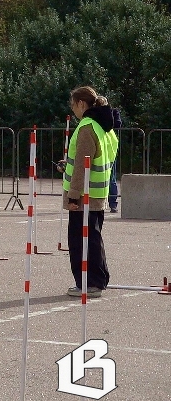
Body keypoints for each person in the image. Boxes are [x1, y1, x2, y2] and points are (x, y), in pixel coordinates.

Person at [62, 86, 118, 298]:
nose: (73, 109)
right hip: (98, 191)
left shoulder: (86, 127)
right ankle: (98, 279)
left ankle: (89, 283)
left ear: (81, 104)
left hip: (84, 194)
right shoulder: (105, 127)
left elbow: (81, 165)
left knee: (81, 241)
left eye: (73, 104)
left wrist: (73, 195)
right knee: (93, 239)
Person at [108, 107, 123, 212]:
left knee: (111, 178)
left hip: (109, 150)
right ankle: (112, 204)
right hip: (107, 148)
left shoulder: (113, 112)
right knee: (111, 178)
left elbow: (118, 123)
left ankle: (113, 203)